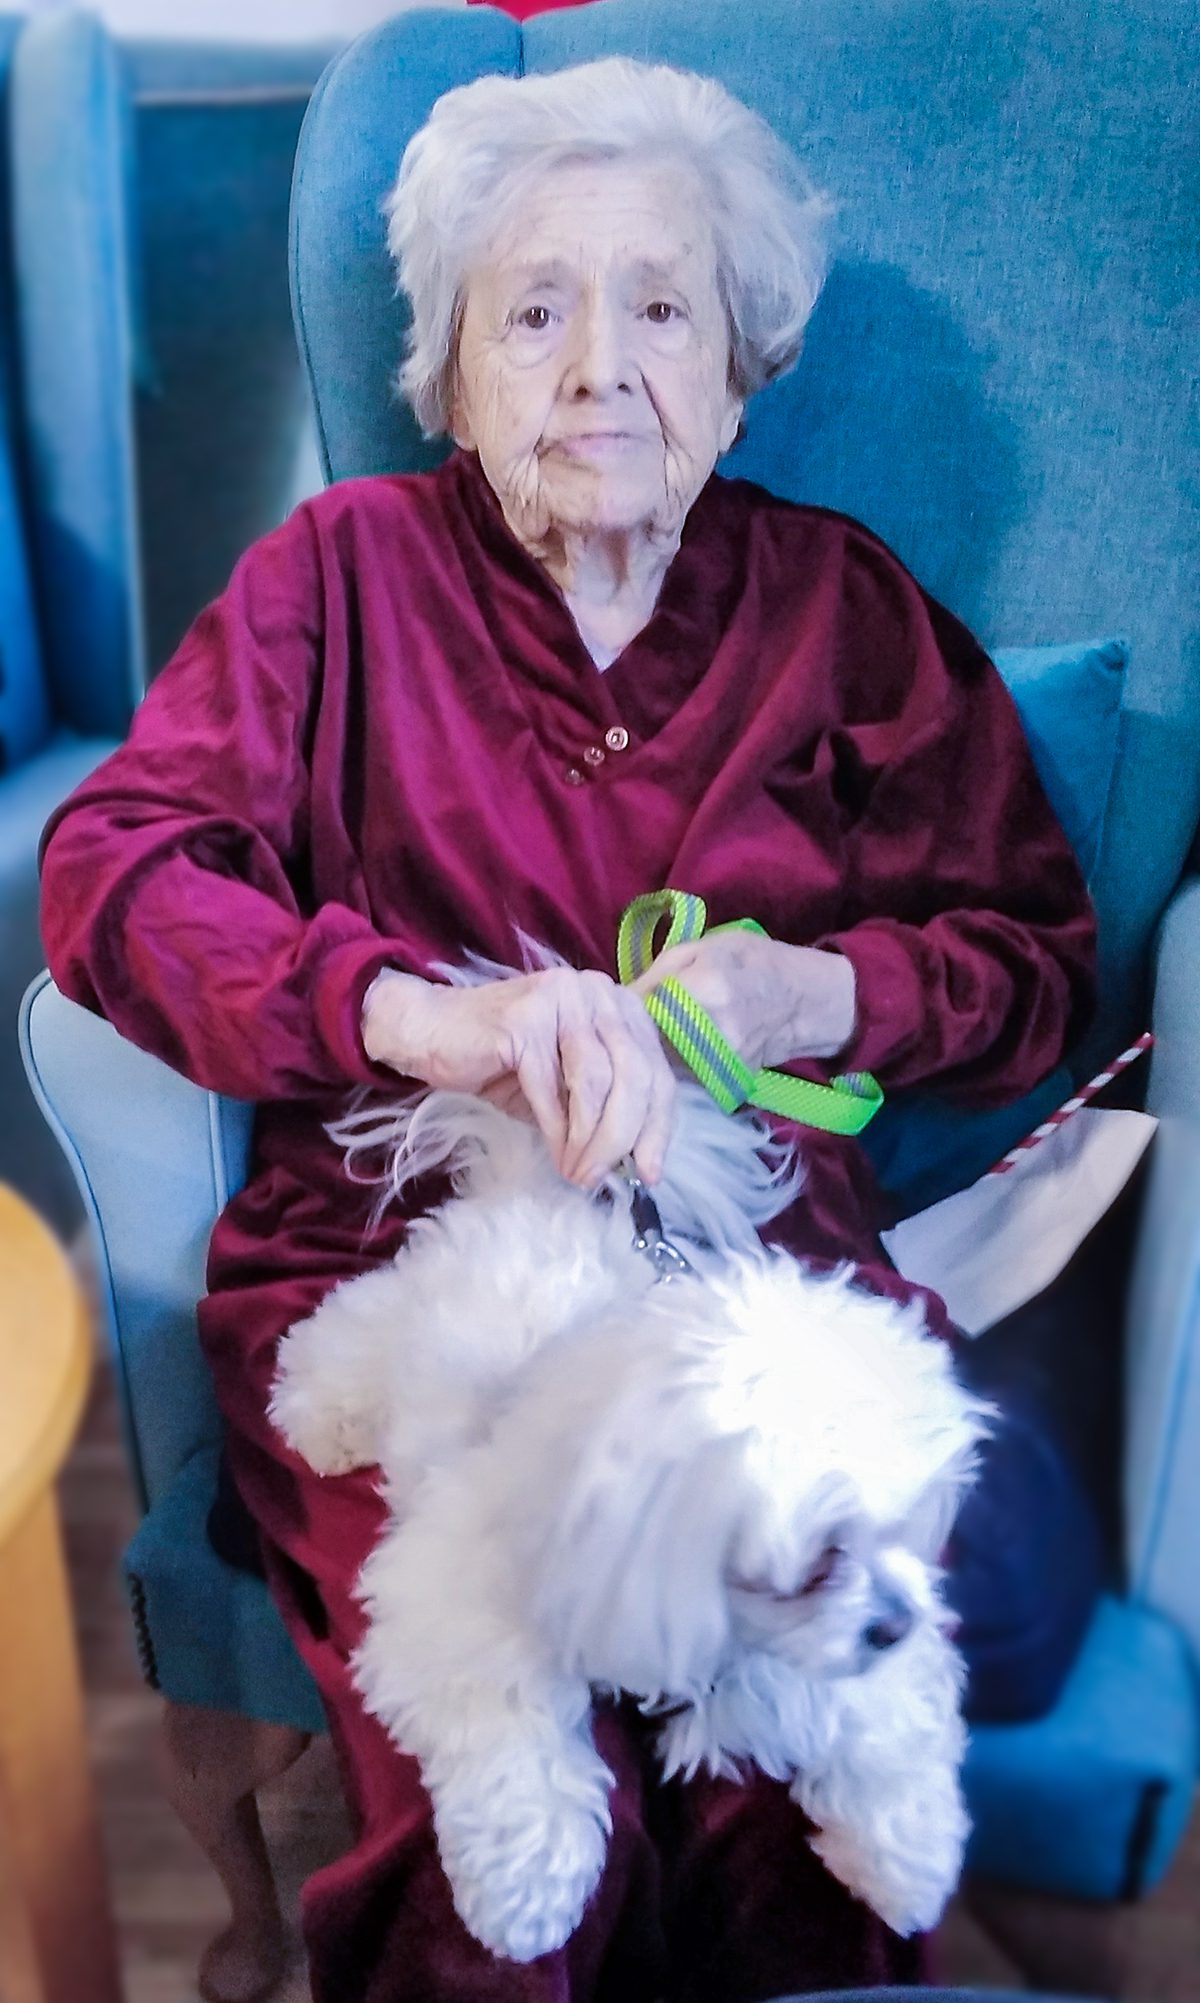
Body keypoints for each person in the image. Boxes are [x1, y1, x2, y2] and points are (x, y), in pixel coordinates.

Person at [40, 57, 1102, 2003]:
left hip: (751, 1273)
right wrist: (417, 1016)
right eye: (536, 310)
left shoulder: (843, 612)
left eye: (661, 305)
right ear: (448, 368)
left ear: (744, 360)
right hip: (406, 1295)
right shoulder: (339, 582)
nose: (601, 364)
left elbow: (1030, 955)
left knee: (794, 1786)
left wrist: (814, 984)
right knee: (505, 1793)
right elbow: (115, 876)